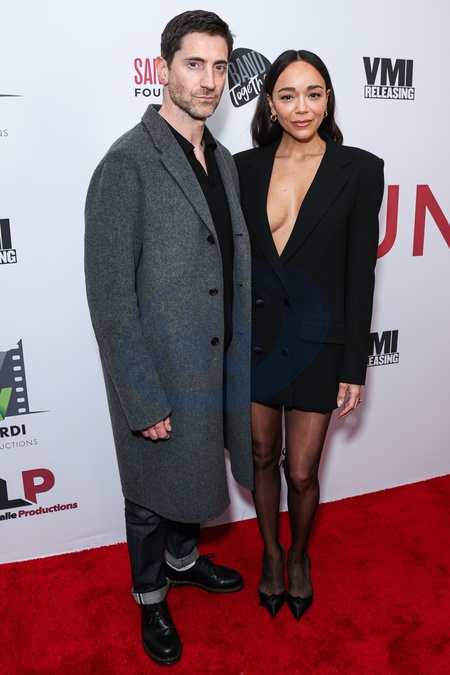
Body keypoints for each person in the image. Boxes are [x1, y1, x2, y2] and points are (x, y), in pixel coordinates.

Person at [85, 10, 253, 666]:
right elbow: (110, 296)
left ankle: (183, 561)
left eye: (219, 66)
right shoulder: (126, 164)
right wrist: (141, 396)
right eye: (194, 64)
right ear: (163, 69)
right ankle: (150, 596)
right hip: (158, 370)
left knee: (196, 472)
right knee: (151, 492)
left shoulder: (225, 162)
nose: (209, 80)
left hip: (213, 365)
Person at [234, 50, 384, 620]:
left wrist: (354, 366)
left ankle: (299, 554)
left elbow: (360, 275)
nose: (302, 106)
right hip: (256, 340)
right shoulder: (242, 168)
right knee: (259, 456)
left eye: (314, 93)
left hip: (320, 344)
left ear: (328, 100)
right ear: (270, 104)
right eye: (288, 94)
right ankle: (271, 554)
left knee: (300, 471)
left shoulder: (360, 169)